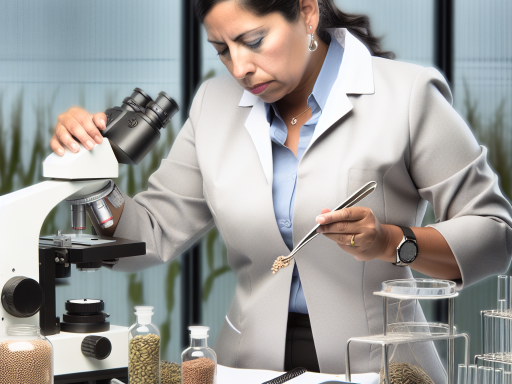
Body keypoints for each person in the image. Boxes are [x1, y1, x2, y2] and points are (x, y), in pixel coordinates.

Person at [49, 0, 512, 377]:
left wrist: (392, 242)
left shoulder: (406, 96)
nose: (241, 68)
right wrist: (91, 177)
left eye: (254, 41)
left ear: (307, 12)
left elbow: (494, 235)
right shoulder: (215, 106)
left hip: (381, 366)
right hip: (249, 368)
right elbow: (151, 234)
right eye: (222, 50)